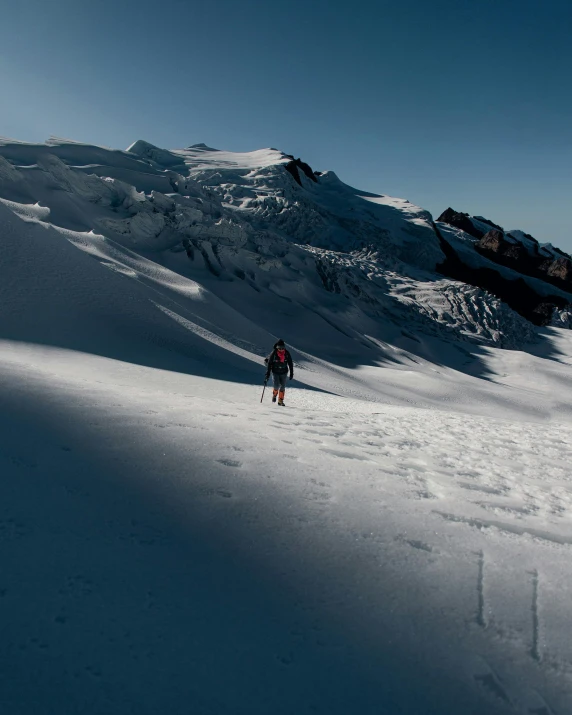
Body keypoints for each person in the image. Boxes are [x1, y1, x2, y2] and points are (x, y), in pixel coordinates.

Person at [264, 339, 294, 406]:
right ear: (277, 347)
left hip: (284, 372)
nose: (281, 349)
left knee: (282, 387)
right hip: (275, 372)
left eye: (282, 348)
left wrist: (291, 373)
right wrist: (267, 375)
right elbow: (269, 364)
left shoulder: (287, 353)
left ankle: (280, 401)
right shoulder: (274, 354)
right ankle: (274, 394)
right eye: (279, 348)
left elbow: (290, 363)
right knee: (276, 386)